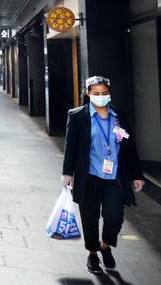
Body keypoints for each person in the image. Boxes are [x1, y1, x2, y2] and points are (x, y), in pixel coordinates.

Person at [61, 75, 145, 275]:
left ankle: (105, 245)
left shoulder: (120, 116)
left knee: (114, 216)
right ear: (88, 94)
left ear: (109, 94)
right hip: (88, 176)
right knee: (89, 217)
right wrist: (67, 173)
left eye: (104, 94)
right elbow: (70, 147)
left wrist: (137, 175)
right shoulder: (77, 115)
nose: (101, 97)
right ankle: (92, 253)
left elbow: (129, 147)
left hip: (114, 177)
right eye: (96, 94)